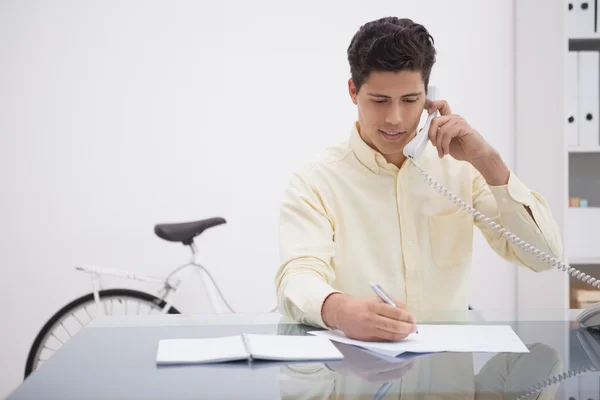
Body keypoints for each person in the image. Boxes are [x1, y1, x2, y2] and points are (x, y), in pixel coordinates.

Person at [274, 17, 563, 341]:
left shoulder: (461, 170)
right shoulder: (315, 181)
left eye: (410, 100)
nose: (395, 118)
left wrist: (487, 160)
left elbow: (545, 258)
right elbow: (297, 277)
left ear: (429, 96)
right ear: (353, 91)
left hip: (446, 383)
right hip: (355, 377)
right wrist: (340, 310)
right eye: (380, 101)